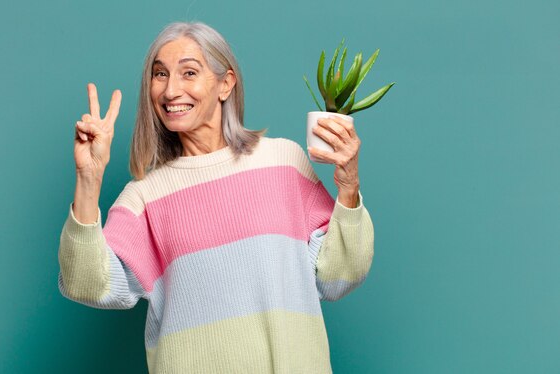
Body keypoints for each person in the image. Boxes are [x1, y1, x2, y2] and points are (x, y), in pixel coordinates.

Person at [58, 21, 374, 374]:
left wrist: (349, 184)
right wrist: (89, 179)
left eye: (188, 72)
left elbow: (338, 276)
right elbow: (85, 283)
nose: (170, 90)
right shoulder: (145, 198)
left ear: (225, 83)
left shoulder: (284, 163)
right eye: (159, 75)